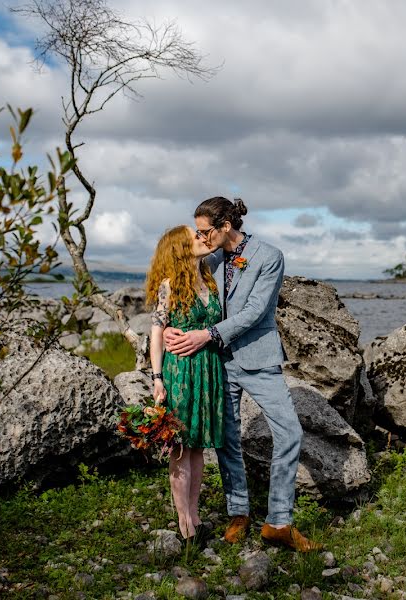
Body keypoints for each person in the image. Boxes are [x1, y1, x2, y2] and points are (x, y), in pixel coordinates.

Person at [164, 196, 322, 552]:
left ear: (225, 226)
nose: (201, 239)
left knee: (290, 431)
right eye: (199, 234)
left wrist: (208, 335)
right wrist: (167, 330)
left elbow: (254, 311)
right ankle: (239, 513)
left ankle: (279, 520)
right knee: (228, 441)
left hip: (259, 359)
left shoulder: (270, 256)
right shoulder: (209, 258)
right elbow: (184, 295)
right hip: (217, 363)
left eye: (206, 232)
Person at [147, 224, 223, 542]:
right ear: (181, 247)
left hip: (209, 370)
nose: (202, 239)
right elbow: (155, 331)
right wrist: (157, 378)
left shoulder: (207, 279)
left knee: (198, 451)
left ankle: (195, 515)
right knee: (180, 448)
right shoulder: (169, 286)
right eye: (196, 236)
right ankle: (185, 527)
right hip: (182, 372)